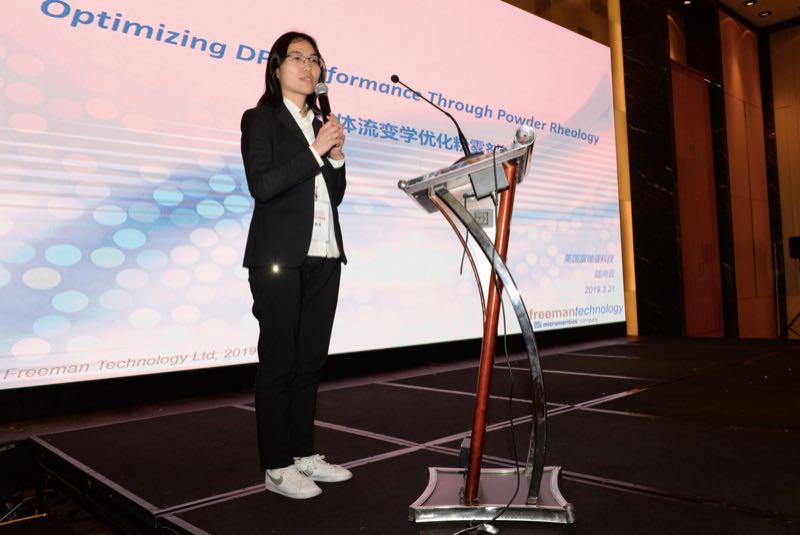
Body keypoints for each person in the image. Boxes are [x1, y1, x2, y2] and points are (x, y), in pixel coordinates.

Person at [240, 31, 350, 499]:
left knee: (310, 362)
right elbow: (263, 185)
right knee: (279, 362)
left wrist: (336, 159)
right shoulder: (261, 119)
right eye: (298, 58)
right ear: (277, 67)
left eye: (315, 60)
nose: (309, 67)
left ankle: (303, 454)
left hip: (325, 255)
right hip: (280, 259)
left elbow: (331, 197)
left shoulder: (319, 123)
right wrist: (316, 150)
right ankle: (277, 466)